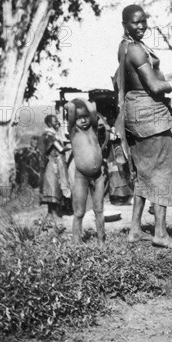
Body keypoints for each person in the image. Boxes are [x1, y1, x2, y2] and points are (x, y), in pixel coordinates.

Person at [114, 4, 172, 249]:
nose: (140, 26)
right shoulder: (136, 50)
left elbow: (142, 80)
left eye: (143, 21)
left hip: (135, 114)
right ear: (125, 24)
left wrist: (163, 77)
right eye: (135, 22)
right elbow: (154, 88)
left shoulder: (124, 46)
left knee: (143, 171)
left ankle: (135, 230)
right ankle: (160, 233)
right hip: (150, 118)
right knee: (162, 172)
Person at [66, 99, 106, 245]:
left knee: (99, 209)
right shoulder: (73, 132)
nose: (83, 120)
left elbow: (94, 111)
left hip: (98, 176)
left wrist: (86, 102)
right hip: (81, 176)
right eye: (78, 118)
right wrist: (71, 106)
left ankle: (101, 241)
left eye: (85, 116)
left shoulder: (93, 129)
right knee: (79, 212)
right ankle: (76, 241)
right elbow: (70, 114)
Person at [39, 114, 71, 232]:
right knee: (53, 189)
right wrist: (71, 146)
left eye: (57, 121)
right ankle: (54, 216)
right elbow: (60, 149)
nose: (57, 123)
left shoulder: (52, 134)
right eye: (55, 121)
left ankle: (50, 217)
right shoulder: (50, 135)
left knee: (53, 189)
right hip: (52, 166)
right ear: (49, 124)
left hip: (54, 164)